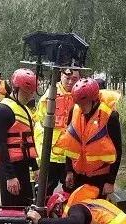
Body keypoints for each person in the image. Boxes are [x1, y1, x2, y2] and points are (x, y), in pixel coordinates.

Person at [54, 78, 122, 197]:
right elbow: (70, 143)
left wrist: (110, 181)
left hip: (100, 177)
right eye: (77, 103)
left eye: (82, 104)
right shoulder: (74, 111)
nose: (80, 107)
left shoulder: (110, 116)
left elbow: (118, 150)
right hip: (77, 174)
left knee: (94, 211)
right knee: (74, 208)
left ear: (93, 100)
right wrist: (69, 170)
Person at [0, 68, 39, 206]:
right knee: (12, 212)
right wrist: (10, 176)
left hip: (23, 167)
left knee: (26, 207)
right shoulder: (2, 110)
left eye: (32, 92)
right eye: (27, 92)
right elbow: (0, 145)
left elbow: (27, 142)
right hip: (9, 168)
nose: (31, 96)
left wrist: (35, 167)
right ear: (16, 88)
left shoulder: (24, 108)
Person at [34, 68, 80, 196]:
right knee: (46, 190)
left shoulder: (80, 96)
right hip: (51, 153)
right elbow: (40, 125)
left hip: (71, 154)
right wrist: (39, 155)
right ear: (61, 76)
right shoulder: (50, 96)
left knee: (71, 189)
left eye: (74, 79)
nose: (70, 82)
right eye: (68, 78)